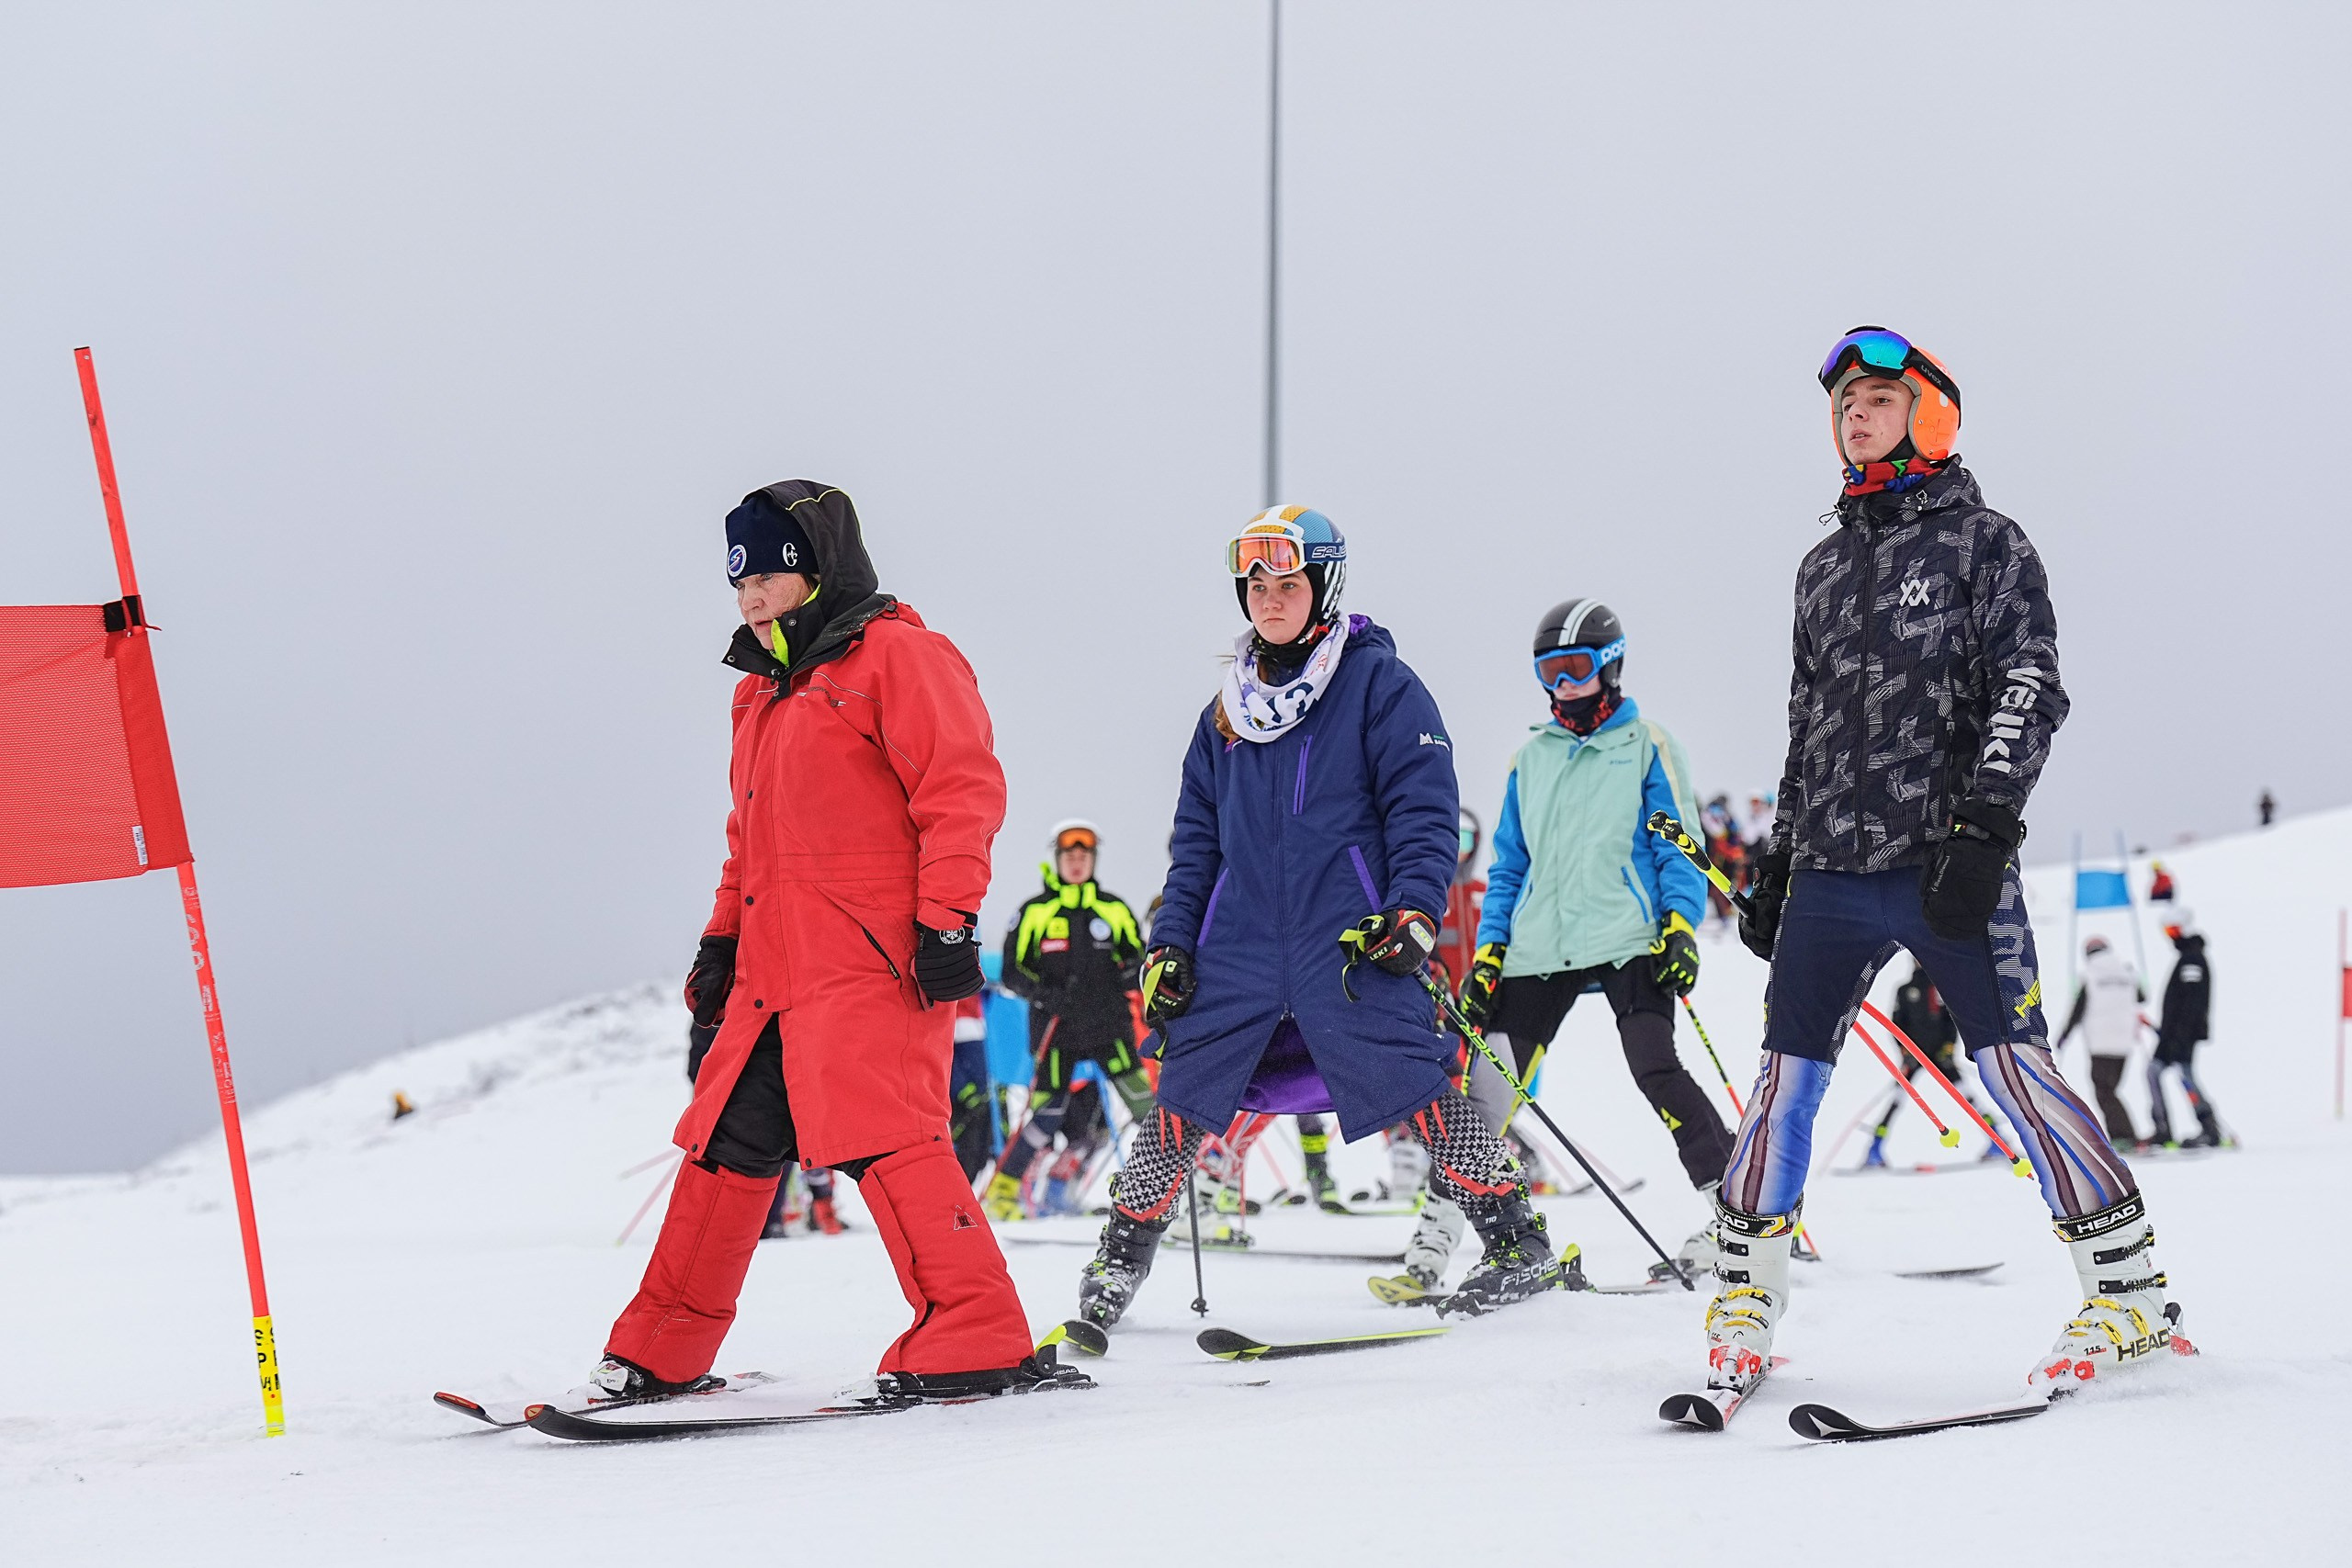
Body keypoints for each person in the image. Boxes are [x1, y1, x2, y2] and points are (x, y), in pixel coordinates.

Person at [1715, 328, 2184, 1402]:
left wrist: (1984, 829)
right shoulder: (1821, 568)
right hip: (1830, 870)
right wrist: (1778, 859)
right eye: (1844, 404)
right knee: (1783, 1081)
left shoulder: (1985, 543)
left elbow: (2031, 684)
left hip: (1945, 863)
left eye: (1878, 398)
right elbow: (1804, 726)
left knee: (2017, 1070)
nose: (1855, 416)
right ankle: (1745, 1290)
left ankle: (2128, 1292)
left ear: (1928, 415)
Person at [582, 480, 1084, 1409]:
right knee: (727, 1141)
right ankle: (664, 1346)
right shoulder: (759, 695)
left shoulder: (900, 657)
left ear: (817, 570)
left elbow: (960, 793)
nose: (750, 597)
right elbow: (748, 841)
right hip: (775, 973)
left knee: (890, 1135)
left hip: (871, 961)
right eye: (738, 582)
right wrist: (721, 943)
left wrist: (947, 920)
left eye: (766, 576)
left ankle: (975, 1330)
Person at [1076, 506, 1575, 1328]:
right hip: (1239, 944)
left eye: (1288, 583)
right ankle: (1119, 1258)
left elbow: (1423, 810)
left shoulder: (1380, 685)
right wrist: (1171, 944)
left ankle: (1517, 1241)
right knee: (1183, 1092)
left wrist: (1414, 908)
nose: (1270, 600)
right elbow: (1195, 845)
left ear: (1324, 586)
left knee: (1416, 1082)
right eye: (1256, 585)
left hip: (1349, 938)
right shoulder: (1225, 714)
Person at [1419, 597, 1729, 1292]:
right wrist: (1490, 954)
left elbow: (1677, 844)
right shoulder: (1530, 758)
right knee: (1485, 1095)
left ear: (1610, 666)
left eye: (1576, 668)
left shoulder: (1646, 743)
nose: (1563, 685)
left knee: (1656, 1069)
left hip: (1628, 937)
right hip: (1539, 947)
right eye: (1549, 671)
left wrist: (1680, 926)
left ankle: (1738, 1216)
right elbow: (1509, 867)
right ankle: (1432, 1243)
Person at [983, 820, 1150, 1219]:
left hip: (1109, 1026)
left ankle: (1167, 1191)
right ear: (1057, 860)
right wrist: (1046, 995)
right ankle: (1003, 1192)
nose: (1077, 863)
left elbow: (1138, 960)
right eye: (1070, 856)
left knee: (1147, 1108)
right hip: (1057, 1030)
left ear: (1093, 861)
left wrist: (1127, 975)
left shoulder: (1113, 908)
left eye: (1084, 856)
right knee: (1046, 1114)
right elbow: (1012, 971)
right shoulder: (1036, 911)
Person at [1859, 962, 1998, 1167]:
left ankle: (1998, 1140)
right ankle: (1875, 1149)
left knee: (1967, 1096)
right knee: (1896, 1099)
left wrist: (1948, 1049)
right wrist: (1904, 1050)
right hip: (1914, 1055)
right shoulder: (1905, 989)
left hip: (1940, 1056)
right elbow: (1895, 1022)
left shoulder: (1941, 988)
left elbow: (1952, 1021)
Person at [2054, 936, 2147, 1149]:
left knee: (2104, 1091)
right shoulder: (2127, 971)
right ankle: (2125, 1134)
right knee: (2111, 1089)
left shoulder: (2090, 975)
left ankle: (2124, 1136)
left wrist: (2064, 1036)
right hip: (2125, 1041)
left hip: (2100, 1042)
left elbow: (2078, 1010)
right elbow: (2142, 997)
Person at [2149, 914, 2223, 1147]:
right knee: (2156, 1072)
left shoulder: (2192, 959)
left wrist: (2178, 1036)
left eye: (2173, 931)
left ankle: (2209, 1128)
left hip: (2182, 1035)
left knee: (2184, 1075)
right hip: (2173, 1034)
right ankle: (2164, 1128)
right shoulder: (2187, 957)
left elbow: (2192, 1003)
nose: (2171, 937)